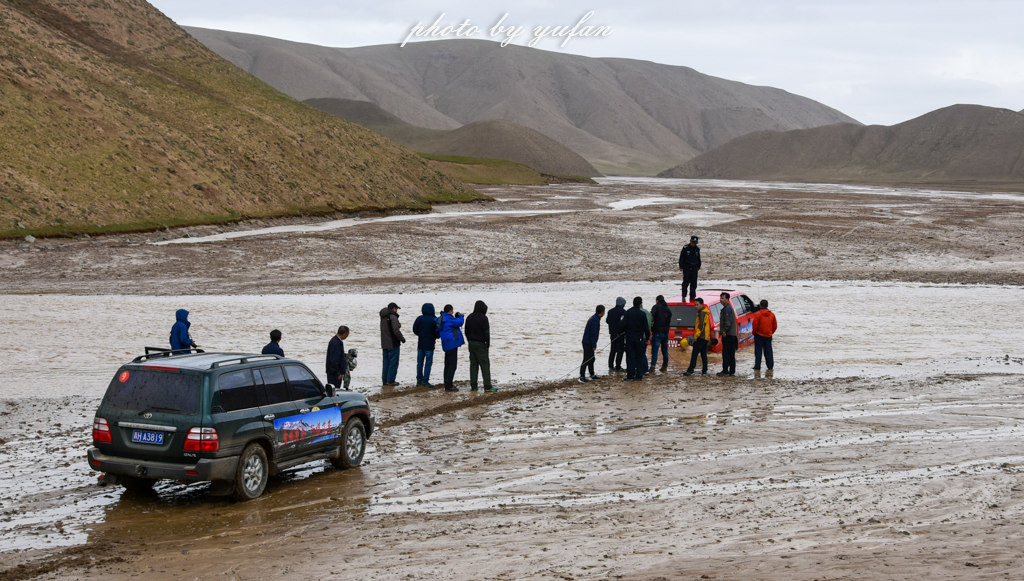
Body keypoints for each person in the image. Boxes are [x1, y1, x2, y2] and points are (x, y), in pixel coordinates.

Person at [465, 300, 495, 392]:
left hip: (471, 343)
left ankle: (474, 386)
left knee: (473, 365)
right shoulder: (483, 318)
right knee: (484, 364)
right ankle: (488, 386)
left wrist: (469, 340)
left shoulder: (469, 317)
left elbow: (466, 331)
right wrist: (488, 344)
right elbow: (487, 332)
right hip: (481, 343)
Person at [622, 297, 651, 381]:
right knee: (640, 356)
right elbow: (646, 328)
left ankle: (630, 375)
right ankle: (639, 375)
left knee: (630, 357)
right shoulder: (642, 314)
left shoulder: (628, 312)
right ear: (640, 304)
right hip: (639, 338)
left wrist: (619, 333)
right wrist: (648, 338)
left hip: (629, 338)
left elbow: (622, 324)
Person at [438, 305, 465, 392]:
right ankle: (449, 385)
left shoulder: (442, 318)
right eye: (452, 312)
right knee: (452, 365)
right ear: (450, 311)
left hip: (446, 344)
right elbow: (460, 322)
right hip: (452, 344)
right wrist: (460, 316)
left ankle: (447, 382)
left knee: (447, 365)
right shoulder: (448, 318)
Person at [412, 303, 439, 388]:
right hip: (430, 345)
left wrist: (420, 334)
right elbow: (438, 332)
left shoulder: (419, 319)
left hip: (420, 344)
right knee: (428, 363)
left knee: (419, 363)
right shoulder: (434, 319)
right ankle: (425, 380)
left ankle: (419, 380)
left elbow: (414, 330)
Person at [379, 302, 406, 387]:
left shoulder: (383, 317)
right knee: (393, 363)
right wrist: (402, 339)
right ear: (394, 308)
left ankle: (385, 380)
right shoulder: (393, 317)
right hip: (393, 343)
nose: (397, 311)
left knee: (386, 363)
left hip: (384, 343)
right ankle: (390, 381)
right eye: (396, 309)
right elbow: (396, 331)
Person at [683, 298, 711, 376]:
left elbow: (700, 326)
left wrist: (696, 336)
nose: (695, 306)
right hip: (705, 337)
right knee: (703, 354)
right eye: (695, 304)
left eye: (697, 305)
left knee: (695, 353)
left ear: (701, 305)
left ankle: (691, 369)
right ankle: (704, 370)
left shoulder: (702, 313)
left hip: (701, 337)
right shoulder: (704, 312)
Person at [752, 299, 778, 373]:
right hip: (768, 335)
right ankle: (770, 366)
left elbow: (755, 325)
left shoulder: (758, 314)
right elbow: (775, 326)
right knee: (768, 351)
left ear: (760, 306)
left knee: (758, 352)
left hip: (759, 335)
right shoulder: (772, 314)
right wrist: (770, 332)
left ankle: (757, 366)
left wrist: (754, 332)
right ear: (767, 306)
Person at [580, 305, 605, 383]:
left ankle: (592, 374)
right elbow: (593, 334)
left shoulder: (595, 318)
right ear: (602, 312)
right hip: (588, 342)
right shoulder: (595, 320)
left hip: (587, 341)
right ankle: (582, 376)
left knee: (591, 359)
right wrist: (594, 345)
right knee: (587, 359)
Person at [717, 292, 738, 377]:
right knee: (731, 354)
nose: (721, 300)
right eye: (720, 298)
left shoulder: (727, 309)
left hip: (728, 335)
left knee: (726, 353)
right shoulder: (728, 308)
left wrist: (724, 332)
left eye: (722, 298)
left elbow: (727, 323)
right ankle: (731, 371)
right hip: (732, 335)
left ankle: (725, 370)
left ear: (727, 299)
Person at [650, 295, 672, 372]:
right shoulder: (668, 309)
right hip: (666, 332)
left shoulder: (656, 307)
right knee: (665, 351)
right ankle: (664, 367)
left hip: (657, 332)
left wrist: (651, 327)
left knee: (655, 351)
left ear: (657, 301)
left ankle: (652, 368)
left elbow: (651, 317)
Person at [678, 235, 702, 303]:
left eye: (695, 243)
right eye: (693, 242)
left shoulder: (697, 249)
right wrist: (681, 266)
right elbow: (682, 258)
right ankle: (683, 296)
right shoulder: (685, 248)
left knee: (694, 283)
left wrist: (698, 266)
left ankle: (692, 296)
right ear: (690, 241)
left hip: (694, 267)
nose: (694, 244)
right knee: (686, 282)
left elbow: (698, 258)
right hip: (687, 267)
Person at [606, 297, 627, 371]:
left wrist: (612, 327)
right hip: (620, 334)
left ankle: (610, 366)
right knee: (620, 350)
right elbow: (624, 323)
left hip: (612, 333)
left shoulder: (610, 311)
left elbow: (607, 321)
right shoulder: (623, 312)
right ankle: (618, 366)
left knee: (613, 350)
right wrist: (620, 331)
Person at [639, 303, 653, 374]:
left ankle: (644, 369)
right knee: (643, 352)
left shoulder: (638, 313)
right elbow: (651, 324)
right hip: (647, 336)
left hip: (640, 336)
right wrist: (648, 337)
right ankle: (643, 368)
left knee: (640, 353)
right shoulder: (648, 313)